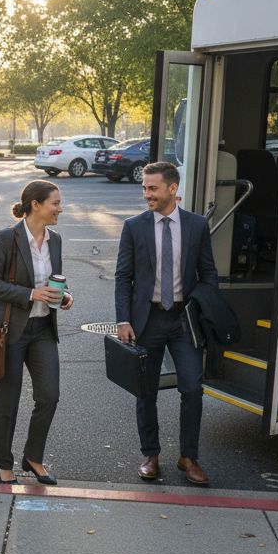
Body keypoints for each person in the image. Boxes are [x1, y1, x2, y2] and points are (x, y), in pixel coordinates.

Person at [114, 162, 217, 485]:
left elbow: (208, 272)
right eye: (145, 188)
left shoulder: (197, 226)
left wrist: (204, 305)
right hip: (148, 320)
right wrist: (123, 319)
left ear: (172, 189)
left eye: (153, 188)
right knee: (146, 392)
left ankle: (189, 457)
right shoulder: (134, 226)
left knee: (192, 389)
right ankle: (151, 454)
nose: (147, 194)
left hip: (184, 320)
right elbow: (123, 277)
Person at [0, 179, 74, 485]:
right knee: (8, 399)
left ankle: (33, 457)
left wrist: (64, 295)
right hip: (10, 329)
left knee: (49, 396)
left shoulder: (55, 239)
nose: (60, 208)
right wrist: (31, 294)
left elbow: (55, 281)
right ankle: (3, 463)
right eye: (55, 203)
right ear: (36, 205)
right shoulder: (6, 238)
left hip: (43, 328)